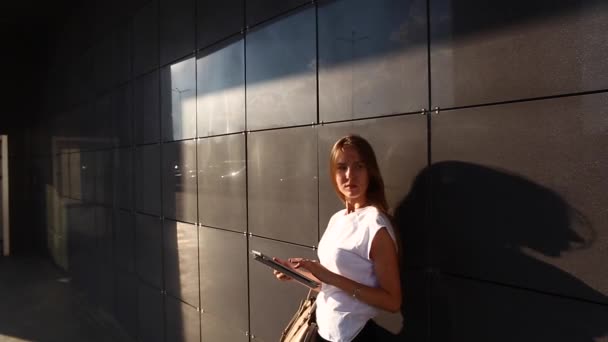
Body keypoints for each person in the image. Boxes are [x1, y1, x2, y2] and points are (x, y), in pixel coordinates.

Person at [273, 135, 401, 342]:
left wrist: (328, 276)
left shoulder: (375, 224)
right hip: (323, 330)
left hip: (352, 335)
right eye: (342, 167)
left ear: (370, 172)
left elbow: (393, 302)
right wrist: (298, 272)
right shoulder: (338, 218)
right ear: (334, 174)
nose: (350, 175)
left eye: (358, 166)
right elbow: (330, 283)